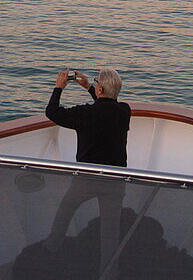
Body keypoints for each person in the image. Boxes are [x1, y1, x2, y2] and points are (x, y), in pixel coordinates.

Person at [44, 68, 130, 274]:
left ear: (100, 88)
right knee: (110, 229)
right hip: (116, 180)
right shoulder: (124, 111)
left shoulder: (85, 114)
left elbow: (52, 112)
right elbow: (108, 105)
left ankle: (52, 247)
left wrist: (59, 87)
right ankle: (109, 270)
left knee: (66, 208)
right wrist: (90, 88)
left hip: (87, 178)